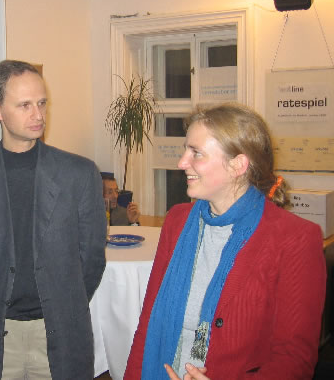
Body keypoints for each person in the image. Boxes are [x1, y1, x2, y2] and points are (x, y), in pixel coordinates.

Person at [124, 103, 326, 380]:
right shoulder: (177, 221)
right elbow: (148, 322)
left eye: (196, 153)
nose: (182, 163)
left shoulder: (294, 239)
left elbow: (295, 359)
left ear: (237, 165)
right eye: (185, 151)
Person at [0, 60, 107, 379]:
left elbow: (91, 258)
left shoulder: (79, 174)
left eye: (42, 103)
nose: (38, 115)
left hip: (60, 332)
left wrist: (64, 303)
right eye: (24, 105)